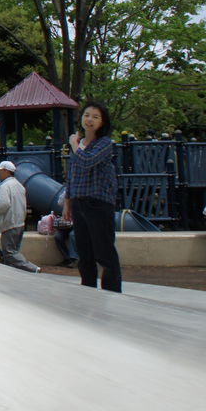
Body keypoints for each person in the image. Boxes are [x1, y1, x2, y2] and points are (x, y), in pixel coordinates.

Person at [62, 101, 121, 292]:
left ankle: (112, 291)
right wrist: (67, 203)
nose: (90, 120)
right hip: (79, 202)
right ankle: (87, 290)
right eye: (87, 115)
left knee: (104, 251)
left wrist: (74, 145)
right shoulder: (79, 145)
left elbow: (87, 162)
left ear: (102, 122)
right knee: (84, 252)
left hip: (99, 203)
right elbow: (71, 175)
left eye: (96, 117)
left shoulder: (104, 144)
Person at [0, 161, 40, 273]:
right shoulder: (18, 185)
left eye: (0, 170)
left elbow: (3, 204)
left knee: (9, 252)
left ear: (6, 171)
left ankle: (32, 269)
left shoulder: (4, 186)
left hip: (9, 223)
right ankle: (13, 273)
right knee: (14, 250)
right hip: (19, 222)